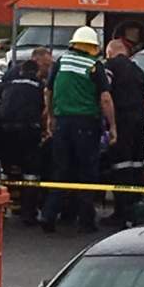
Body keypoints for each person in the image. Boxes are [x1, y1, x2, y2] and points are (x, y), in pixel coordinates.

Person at [39, 26, 115, 234]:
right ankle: (86, 221)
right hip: (86, 124)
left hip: (63, 123)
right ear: (93, 46)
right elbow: (105, 98)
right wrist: (113, 127)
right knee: (86, 173)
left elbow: (48, 90)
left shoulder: (61, 62)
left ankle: (49, 215)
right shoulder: (94, 66)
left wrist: (51, 117)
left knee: (60, 169)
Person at [0, 58, 46, 227]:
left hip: (3, 130)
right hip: (27, 131)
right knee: (31, 173)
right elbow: (44, 109)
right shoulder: (39, 85)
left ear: (21, 71)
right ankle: (28, 215)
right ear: (36, 72)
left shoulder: (9, 80)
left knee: (2, 172)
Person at [104, 39, 144, 226]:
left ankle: (121, 212)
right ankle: (135, 211)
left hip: (121, 121)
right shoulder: (138, 70)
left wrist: (109, 124)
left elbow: (104, 94)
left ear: (111, 52)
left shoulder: (110, 67)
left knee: (120, 166)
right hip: (139, 122)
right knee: (136, 166)